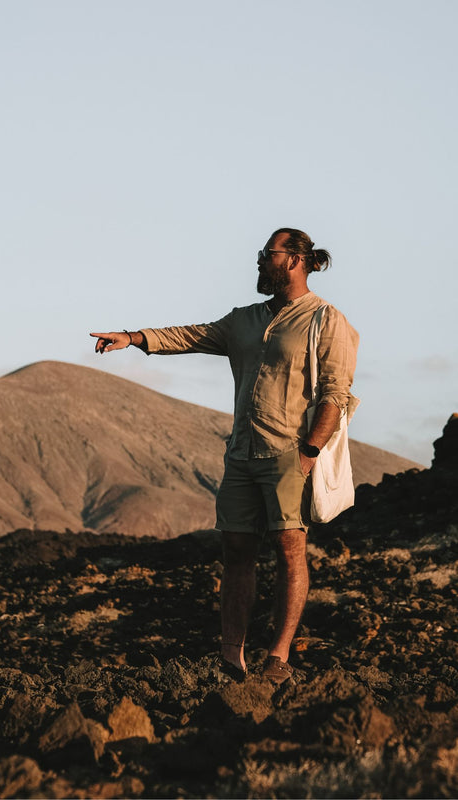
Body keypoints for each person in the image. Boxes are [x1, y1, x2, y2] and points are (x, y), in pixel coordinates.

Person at [90, 226, 359, 684]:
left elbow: (336, 392)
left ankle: (277, 657)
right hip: (241, 454)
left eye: (266, 254)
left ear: (294, 259)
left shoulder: (326, 321)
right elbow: (191, 335)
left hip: (288, 454)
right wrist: (133, 337)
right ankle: (231, 658)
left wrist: (310, 452)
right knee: (236, 550)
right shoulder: (244, 320)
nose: (258, 261)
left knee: (290, 551)